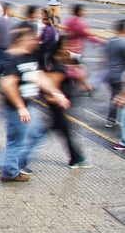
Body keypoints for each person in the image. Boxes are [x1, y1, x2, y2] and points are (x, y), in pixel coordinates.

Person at [0, 24, 70, 182]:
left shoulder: (29, 56)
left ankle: (14, 163)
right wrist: (20, 107)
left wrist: (57, 93)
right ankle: (9, 171)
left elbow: (39, 77)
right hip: (16, 107)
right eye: (33, 38)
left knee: (36, 132)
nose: (37, 41)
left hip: (28, 104)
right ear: (23, 40)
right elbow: (8, 84)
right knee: (16, 141)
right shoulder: (13, 58)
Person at [44, 36, 92, 168]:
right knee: (64, 130)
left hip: (66, 101)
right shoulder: (53, 63)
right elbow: (50, 87)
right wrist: (57, 98)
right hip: (57, 103)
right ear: (60, 47)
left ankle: (76, 158)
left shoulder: (70, 58)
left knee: (60, 129)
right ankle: (76, 158)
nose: (71, 47)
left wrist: (85, 83)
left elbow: (79, 73)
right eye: (68, 45)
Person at [105, 19, 125, 129]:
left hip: (110, 73)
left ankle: (111, 119)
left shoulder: (111, 41)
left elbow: (106, 57)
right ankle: (111, 120)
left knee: (114, 96)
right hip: (120, 75)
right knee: (118, 97)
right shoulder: (123, 43)